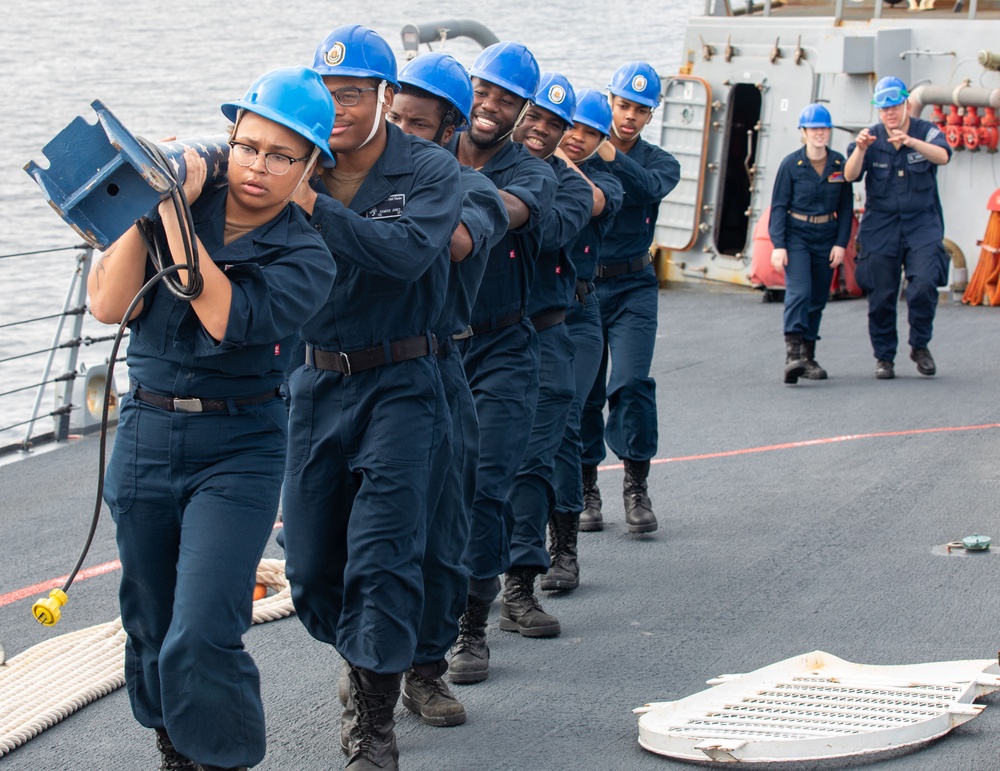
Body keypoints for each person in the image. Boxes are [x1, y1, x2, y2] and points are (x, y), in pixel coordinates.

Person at [87, 67, 338, 771]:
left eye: (283, 155)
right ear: (231, 139)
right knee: (150, 619)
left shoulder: (307, 254)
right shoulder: (184, 201)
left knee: (202, 627)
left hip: (240, 445)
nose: (259, 167)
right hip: (146, 432)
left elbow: (224, 313)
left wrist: (170, 207)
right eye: (250, 146)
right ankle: (175, 743)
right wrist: (148, 197)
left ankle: (222, 758)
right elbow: (109, 305)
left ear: (310, 165)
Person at [280, 25, 462, 771]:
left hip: (401, 382)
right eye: (324, 95)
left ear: (386, 96)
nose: (336, 109)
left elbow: (406, 254)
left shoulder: (427, 170)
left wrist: (316, 208)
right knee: (313, 570)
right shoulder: (294, 162)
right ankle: (363, 662)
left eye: (351, 94)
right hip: (316, 382)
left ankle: (374, 723)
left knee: (384, 556)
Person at [385, 50, 508, 727]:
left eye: (419, 122)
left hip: (435, 367)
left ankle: (425, 668)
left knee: (437, 534)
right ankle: (365, 659)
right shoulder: (346, 178)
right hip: (349, 372)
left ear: (450, 128)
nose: (402, 131)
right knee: (350, 541)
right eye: (394, 116)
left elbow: (456, 240)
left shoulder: (471, 187)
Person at [444, 41, 558, 685]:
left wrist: (451, 196)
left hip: (502, 346)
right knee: (429, 491)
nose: (490, 107)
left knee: (488, 485)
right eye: (483, 92)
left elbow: (511, 210)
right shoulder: (427, 145)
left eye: (506, 99)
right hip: (432, 344)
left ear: (522, 110)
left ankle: (471, 626)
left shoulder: (532, 171)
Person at [505, 72, 593, 633]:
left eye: (555, 124)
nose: (541, 129)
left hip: (544, 334)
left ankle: (519, 585)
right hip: (472, 337)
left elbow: (549, 232)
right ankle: (460, 592)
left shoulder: (573, 186)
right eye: (534, 116)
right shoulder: (467, 161)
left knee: (534, 463)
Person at [579, 61, 680, 534]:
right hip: (585, 287)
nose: (629, 117)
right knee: (583, 392)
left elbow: (647, 189)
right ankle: (585, 489)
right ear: (610, 101)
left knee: (632, 383)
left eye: (640, 109)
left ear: (651, 114)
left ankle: (636, 485)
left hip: (635, 286)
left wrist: (610, 154)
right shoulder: (581, 153)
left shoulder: (661, 162)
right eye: (623, 105)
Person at [544, 88, 624, 591]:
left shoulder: (606, 180)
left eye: (590, 132)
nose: (576, 138)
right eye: (568, 126)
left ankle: (564, 549)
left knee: (565, 422)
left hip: (577, 312)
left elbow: (592, 203)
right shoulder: (523, 166)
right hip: (525, 314)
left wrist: (552, 154)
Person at [844, 75, 952, 380]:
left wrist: (910, 142)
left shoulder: (926, 132)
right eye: (883, 109)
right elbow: (851, 176)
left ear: (906, 104)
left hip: (922, 223)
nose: (889, 113)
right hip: (882, 225)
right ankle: (884, 357)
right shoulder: (871, 137)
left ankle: (920, 345)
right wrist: (861, 150)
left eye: (894, 106)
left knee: (923, 284)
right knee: (881, 294)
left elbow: (943, 156)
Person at [769, 103, 853, 384]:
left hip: (827, 236)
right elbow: (778, 206)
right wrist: (778, 245)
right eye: (814, 129)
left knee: (818, 298)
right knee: (800, 292)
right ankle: (792, 353)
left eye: (824, 129)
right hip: (797, 236)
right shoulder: (791, 165)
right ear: (803, 132)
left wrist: (841, 244)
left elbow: (846, 208)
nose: (819, 133)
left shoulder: (839, 164)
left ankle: (808, 356)